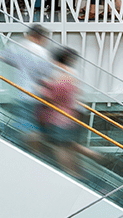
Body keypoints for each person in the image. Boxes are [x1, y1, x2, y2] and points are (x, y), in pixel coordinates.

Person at [39, 47, 97, 177]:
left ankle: (70, 174)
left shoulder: (62, 76)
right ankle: (81, 170)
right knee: (70, 146)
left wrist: (43, 88)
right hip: (72, 116)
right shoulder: (73, 74)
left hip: (60, 118)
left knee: (61, 147)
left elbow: (54, 97)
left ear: (58, 60)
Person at [2, 25, 54, 146]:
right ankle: (35, 155)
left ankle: (27, 152)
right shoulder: (43, 52)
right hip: (36, 95)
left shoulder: (16, 46)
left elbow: (3, 57)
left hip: (20, 94)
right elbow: (48, 74)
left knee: (25, 127)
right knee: (33, 128)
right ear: (39, 37)